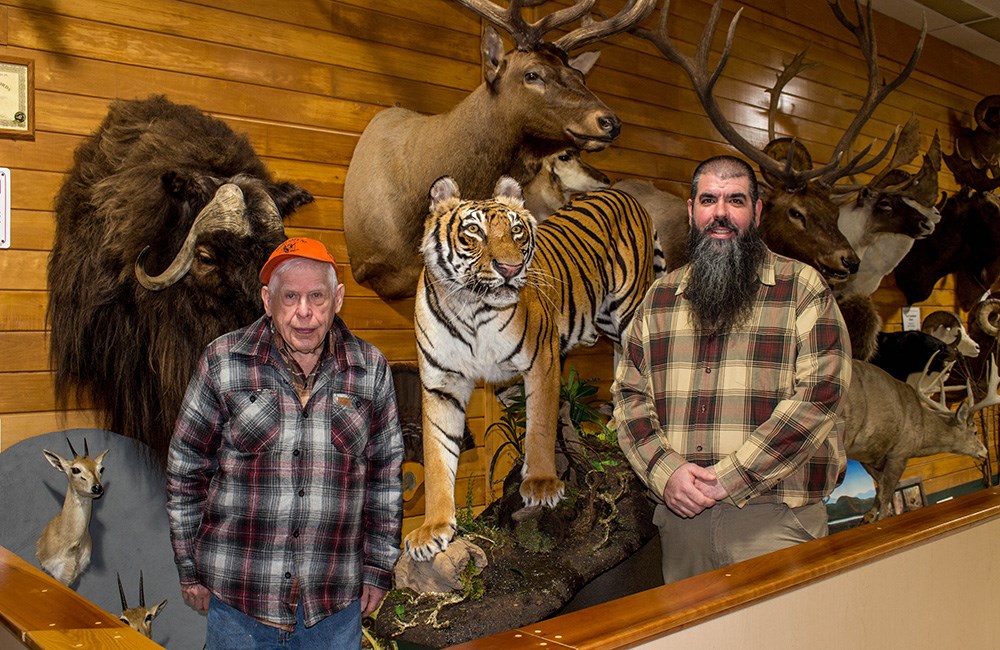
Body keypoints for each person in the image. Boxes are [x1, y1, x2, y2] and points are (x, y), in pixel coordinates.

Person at [612, 156, 851, 584]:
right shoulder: (660, 297)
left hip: (775, 523)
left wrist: (730, 478)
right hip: (682, 526)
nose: (720, 213)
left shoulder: (802, 288)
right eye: (709, 200)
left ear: (756, 213)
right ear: (692, 211)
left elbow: (819, 395)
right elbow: (629, 397)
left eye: (735, 200)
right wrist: (665, 472)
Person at [166, 237, 403, 648]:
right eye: (290, 297)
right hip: (238, 601)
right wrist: (190, 568)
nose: (304, 312)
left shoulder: (371, 371)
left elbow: (385, 481)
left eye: (317, 296)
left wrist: (378, 569)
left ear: (338, 299)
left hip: (332, 606)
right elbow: (186, 471)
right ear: (267, 300)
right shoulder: (223, 361)